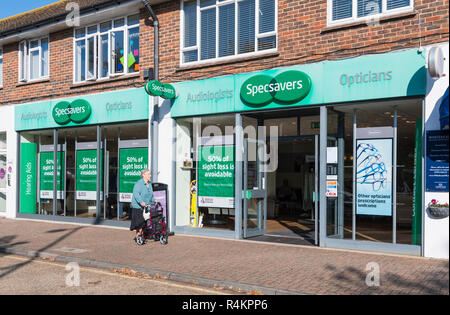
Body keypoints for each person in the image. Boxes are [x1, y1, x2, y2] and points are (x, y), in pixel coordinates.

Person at [130, 169, 155, 241]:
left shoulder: (149, 184)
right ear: (143, 175)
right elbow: (136, 194)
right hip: (138, 206)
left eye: (150, 174)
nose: (150, 175)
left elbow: (151, 194)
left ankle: (139, 236)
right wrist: (141, 202)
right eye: (148, 174)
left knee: (144, 222)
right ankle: (138, 236)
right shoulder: (139, 184)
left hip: (146, 206)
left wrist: (154, 200)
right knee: (139, 222)